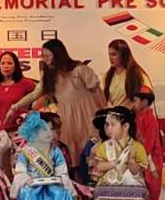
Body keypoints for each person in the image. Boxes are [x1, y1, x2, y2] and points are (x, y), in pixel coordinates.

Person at [7, 38, 103, 166]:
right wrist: (15, 107)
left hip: (87, 116)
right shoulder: (49, 76)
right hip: (68, 120)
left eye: (48, 56)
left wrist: (102, 115)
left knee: (91, 151)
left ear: (58, 54)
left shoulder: (79, 70)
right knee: (73, 156)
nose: (44, 59)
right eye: (43, 56)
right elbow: (35, 94)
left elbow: (98, 93)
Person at [12, 111, 87, 200]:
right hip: (32, 186)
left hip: (53, 184)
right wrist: (26, 179)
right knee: (29, 194)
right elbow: (20, 171)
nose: (49, 134)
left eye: (52, 130)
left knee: (62, 194)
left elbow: (62, 171)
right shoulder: (27, 151)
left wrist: (60, 179)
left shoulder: (56, 151)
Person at [89, 107, 152, 200]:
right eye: (108, 125)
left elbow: (137, 171)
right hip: (109, 179)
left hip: (131, 179)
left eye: (113, 125)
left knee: (135, 189)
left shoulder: (137, 147)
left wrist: (130, 160)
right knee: (102, 190)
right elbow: (99, 166)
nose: (109, 128)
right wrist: (114, 163)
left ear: (126, 126)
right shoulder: (105, 146)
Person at [0, 50, 34, 133]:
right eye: (3, 63)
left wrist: (34, 111)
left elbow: (42, 94)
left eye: (9, 63)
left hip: (20, 132)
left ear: (16, 65)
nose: (6, 66)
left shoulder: (25, 83)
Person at [131, 87, 164, 200]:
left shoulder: (150, 119)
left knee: (153, 183)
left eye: (136, 101)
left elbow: (150, 141)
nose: (133, 104)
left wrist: (141, 153)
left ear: (144, 102)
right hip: (142, 154)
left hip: (151, 158)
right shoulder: (139, 117)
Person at [102, 40, 151, 110]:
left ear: (123, 54)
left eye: (114, 54)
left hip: (132, 117)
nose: (110, 58)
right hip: (114, 117)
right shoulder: (107, 76)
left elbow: (147, 97)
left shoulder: (136, 74)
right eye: (109, 55)